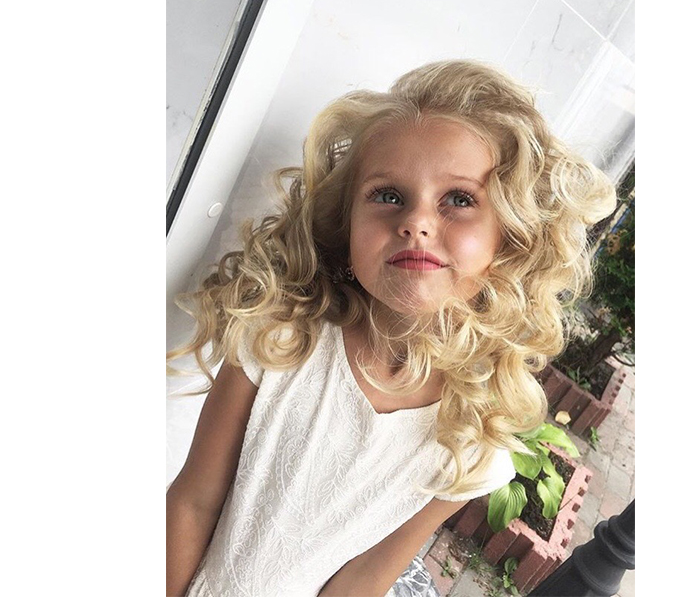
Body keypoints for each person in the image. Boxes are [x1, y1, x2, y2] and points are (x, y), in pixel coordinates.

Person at [166, 59, 616, 597]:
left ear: (509, 239)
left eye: (459, 200)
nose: (416, 222)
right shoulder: (280, 339)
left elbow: (366, 577)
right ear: (346, 225)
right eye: (388, 195)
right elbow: (192, 503)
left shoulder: (471, 438)